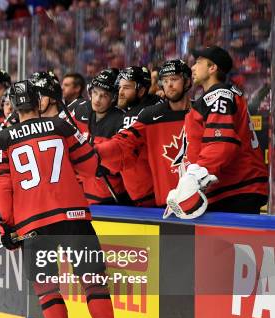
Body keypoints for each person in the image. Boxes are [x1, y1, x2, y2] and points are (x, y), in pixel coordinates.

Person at [0, 80, 126, 318]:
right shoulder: (62, 126)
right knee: (92, 279)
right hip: (74, 215)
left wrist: (8, 224)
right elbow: (90, 166)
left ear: (13, 106)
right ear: (39, 103)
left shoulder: (3, 138)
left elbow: (1, 185)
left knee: (47, 285)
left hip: (33, 221)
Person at [168, 46, 268, 217]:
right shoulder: (223, 95)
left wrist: (196, 176)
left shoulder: (219, 95)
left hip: (236, 189)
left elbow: (220, 142)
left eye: (198, 62)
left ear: (212, 68)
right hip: (233, 188)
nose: (193, 67)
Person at [95, 60, 193, 207]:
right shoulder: (150, 115)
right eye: (165, 81)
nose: (169, 85)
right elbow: (124, 143)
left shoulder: (201, 111)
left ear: (187, 82)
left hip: (201, 198)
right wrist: (97, 152)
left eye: (174, 79)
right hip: (162, 202)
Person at [63, 69, 129, 205]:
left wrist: (103, 163)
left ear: (113, 98)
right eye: (95, 93)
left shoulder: (122, 119)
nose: (97, 100)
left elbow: (124, 159)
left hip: (111, 196)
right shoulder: (81, 109)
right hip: (85, 194)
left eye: (104, 95)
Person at [115, 66, 164, 206]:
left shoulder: (136, 115)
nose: (121, 92)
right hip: (145, 192)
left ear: (141, 90)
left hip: (148, 193)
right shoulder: (156, 103)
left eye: (126, 88)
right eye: (120, 87)